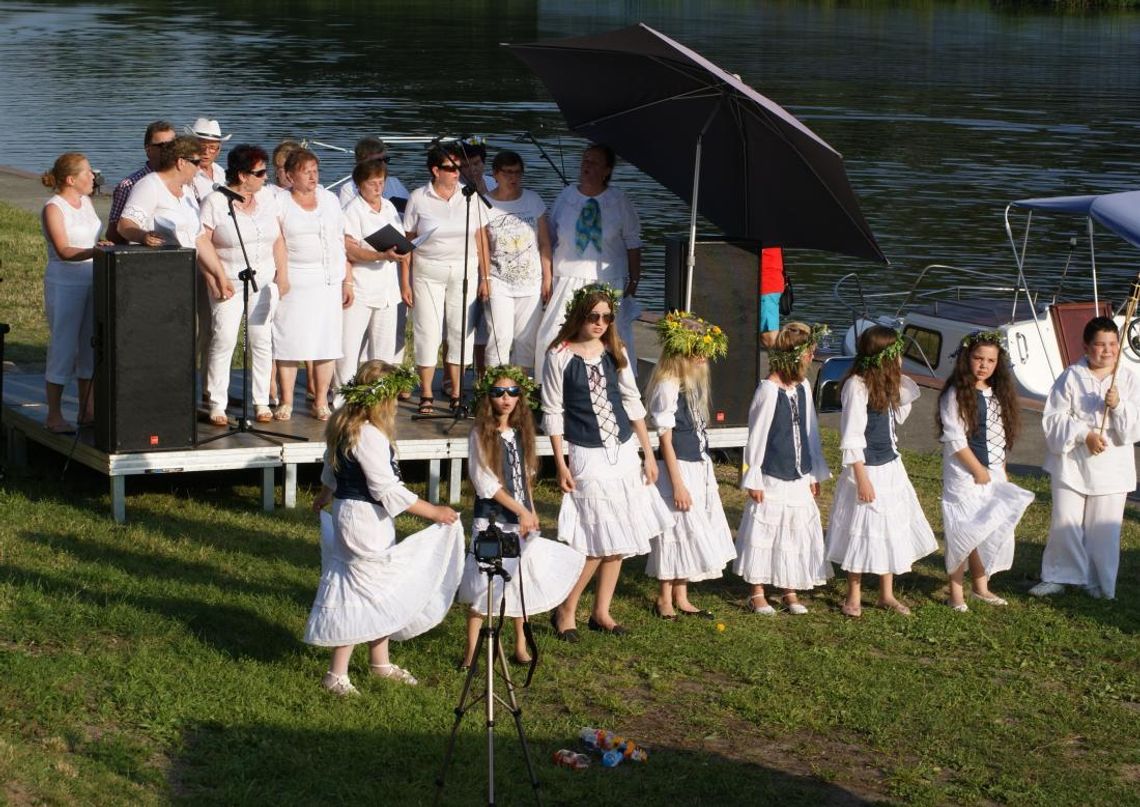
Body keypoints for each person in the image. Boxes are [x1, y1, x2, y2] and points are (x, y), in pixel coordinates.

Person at [306, 361, 463, 696]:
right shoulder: (369, 435)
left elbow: (331, 470)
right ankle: (336, 673)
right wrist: (433, 511)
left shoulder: (345, 424)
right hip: (364, 518)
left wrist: (325, 495)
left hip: (357, 514)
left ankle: (379, 661)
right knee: (361, 590)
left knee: (376, 588)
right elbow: (385, 488)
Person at [542, 284, 672, 639]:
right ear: (579, 315)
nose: (600, 323)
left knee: (620, 533)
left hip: (623, 449)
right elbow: (553, 411)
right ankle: (566, 608)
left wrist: (648, 452)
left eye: (606, 317)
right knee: (596, 536)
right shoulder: (559, 355)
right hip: (585, 449)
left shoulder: (615, 351)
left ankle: (602, 611)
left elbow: (632, 402)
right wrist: (561, 462)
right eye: (593, 316)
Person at [457, 366, 585, 668]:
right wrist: (521, 510)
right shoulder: (479, 435)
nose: (505, 398)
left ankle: (520, 646)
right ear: (488, 397)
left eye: (512, 392)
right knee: (484, 585)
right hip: (492, 522)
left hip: (519, 522)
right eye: (499, 392)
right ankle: (471, 654)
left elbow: (525, 478)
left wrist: (532, 511)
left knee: (519, 581)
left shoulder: (520, 434)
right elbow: (487, 484)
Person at [826, 325, 938, 617]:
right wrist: (861, 478)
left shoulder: (885, 383)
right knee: (862, 529)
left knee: (888, 527)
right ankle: (854, 594)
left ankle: (886, 594)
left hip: (890, 465)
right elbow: (851, 435)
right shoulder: (856, 386)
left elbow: (899, 416)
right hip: (867, 469)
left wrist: (896, 378)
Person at [1030, 317, 1140, 601]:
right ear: (1086, 346)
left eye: (1113, 344)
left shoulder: (1128, 379)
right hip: (1073, 462)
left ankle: (1098, 582)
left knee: (1104, 526)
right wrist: (1083, 434)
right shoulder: (1071, 376)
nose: (1107, 351)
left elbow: (1134, 427)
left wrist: (1118, 406)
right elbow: (1053, 418)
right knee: (1065, 519)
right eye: (1100, 345)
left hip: (1111, 465)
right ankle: (1058, 575)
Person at [644, 312, 736, 619]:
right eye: (698, 352)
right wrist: (678, 483)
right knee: (676, 527)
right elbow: (665, 440)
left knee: (692, 527)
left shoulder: (689, 384)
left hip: (696, 464)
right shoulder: (668, 385)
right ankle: (664, 598)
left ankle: (681, 593)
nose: (703, 358)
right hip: (677, 467)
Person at [735, 322, 832, 614]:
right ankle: (758, 591)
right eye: (808, 353)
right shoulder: (768, 390)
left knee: (795, 527)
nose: (811, 358)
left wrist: (814, 470)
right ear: (791, 355)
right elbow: (758, 435)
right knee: (768, 528)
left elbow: (810, 431)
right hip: (773, 473)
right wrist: (754, 477)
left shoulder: (801, 387)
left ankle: (789, 588)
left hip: (799, 473)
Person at [937, 331, 1034, 611]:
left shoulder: (997, 395)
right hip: (965, 474)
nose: (984, 365)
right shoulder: (955, 393)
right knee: (963, 530)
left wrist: (999, 468)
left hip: (992, 473)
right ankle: (956, 593)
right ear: (967, 358)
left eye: (990, 360)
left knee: (986, 528)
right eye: (979, 358)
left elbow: (999, 437)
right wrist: (977, 469)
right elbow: (955, 439)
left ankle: (981, 587)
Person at [194, 144, 287, 426]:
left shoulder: (269, 198)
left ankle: (261, 401)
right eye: (259, 173)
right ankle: (217, 403)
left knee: (261, 340)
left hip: (264, 280)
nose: (265, 177)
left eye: (265, 172)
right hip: (230, 281)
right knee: (224, 339)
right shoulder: (215, 202)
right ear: (242, 175)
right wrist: (212, 278)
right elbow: (201, 241)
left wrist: (283, 274)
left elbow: (278, 238)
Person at [533, 144, 642, 381]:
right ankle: (547, 384)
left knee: (613, 334)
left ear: (607, 170)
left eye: (593, 162)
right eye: (584, 161)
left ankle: (621, 386)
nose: (586, 166)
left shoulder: (619, 200)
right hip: (567, 276)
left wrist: (634, 278)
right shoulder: (567, 196)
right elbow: (549, 237)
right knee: (554, 331)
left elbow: (633, 241)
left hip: (607, 278)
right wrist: (547, 276)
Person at [401, 144, 490, 414]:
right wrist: (405, 281)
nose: (456, 173)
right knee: (427, 331)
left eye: (458, 168)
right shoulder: (419, 197)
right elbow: (408, 240)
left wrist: (485, 276)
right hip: (428, 271)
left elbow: (480, 238)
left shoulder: (470, 196)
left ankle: (456, 390)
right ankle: (426, 393)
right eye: (451, 168)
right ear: (435, 170)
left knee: (461, 332)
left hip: (464, 271)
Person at [273, 148, 351, 421]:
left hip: (328, 280)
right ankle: (286, 400)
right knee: (289, 339)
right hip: (294, 279)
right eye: (306, 172)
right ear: (290, 175)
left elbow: (341, 240)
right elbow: (277, 240)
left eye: (315, 171)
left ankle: (320, 401)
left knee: (325, 341)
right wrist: (281, 276)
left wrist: (347, 279)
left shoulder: (330, 200)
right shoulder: (279, 200)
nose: (313, 176)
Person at [39, 153, 108, 434]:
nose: (94, 176)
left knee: (90, 346)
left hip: (92, 279)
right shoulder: (54, 208)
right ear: (71, 179)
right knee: (64, 346)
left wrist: (101, 246)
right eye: (88, 173)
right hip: (65, 283)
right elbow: (64, 250)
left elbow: (92, 238)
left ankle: (86, 409)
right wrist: (96, 251)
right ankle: (53, 414)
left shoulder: (87, 202)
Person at [337, 158, 407, 392]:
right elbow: (350, 250)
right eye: (372, 183)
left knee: (383, 351)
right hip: (361, 288)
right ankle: (343, 397)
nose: (379, 187)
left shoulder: (388, 207)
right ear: (359, 185)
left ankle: (380, 395)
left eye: (382, 182)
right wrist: (380, 255)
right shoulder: (352, 210)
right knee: (349, 348)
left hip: (388, 290)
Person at [482, 150, 552, 375]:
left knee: (527, 340)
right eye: (508, 173)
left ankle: (521, 390)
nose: (513, 178)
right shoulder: (484, 203)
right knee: (499, 336)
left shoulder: (533, 200)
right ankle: (494, 386)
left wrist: (547, 278)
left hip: (530, 282)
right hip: (498, 280)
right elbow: (482, 246)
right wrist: (484, 278)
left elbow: (544, 242)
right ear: (495, 174)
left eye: (518, 173)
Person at [117, 136, 202, 248]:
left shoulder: (188, 191)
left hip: (188, 262)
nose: (199, 168)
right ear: (181, 162)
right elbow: (124, 225)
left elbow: (200, 238)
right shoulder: (149, 185)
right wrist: (143, 237)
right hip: (158, 261)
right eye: (196, 163)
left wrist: (217, 266)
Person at [104, 120, 176, 244]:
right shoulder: (128, 185)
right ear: (148, 150)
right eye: (162, 146)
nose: (169, 150)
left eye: (173, 145)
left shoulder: (185, 181)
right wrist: (143, 237)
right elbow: (113, 235)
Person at [336, 136, 410, 209]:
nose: (383, 164)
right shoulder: (347, 190)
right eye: (378, 161)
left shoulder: (394, 182)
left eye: (385, 159)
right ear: (361, 162)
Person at [185, 117, 230, 203]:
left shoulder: (221, 172)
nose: (206, 152)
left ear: (218, 150)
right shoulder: (185, 175)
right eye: (202, 146)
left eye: (212, 147)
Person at [759, 247, 785, 349]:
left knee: (769, 336)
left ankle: (781, 363)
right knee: (765, 335)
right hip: (766, 284)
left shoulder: (765, 236)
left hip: (766, 285)